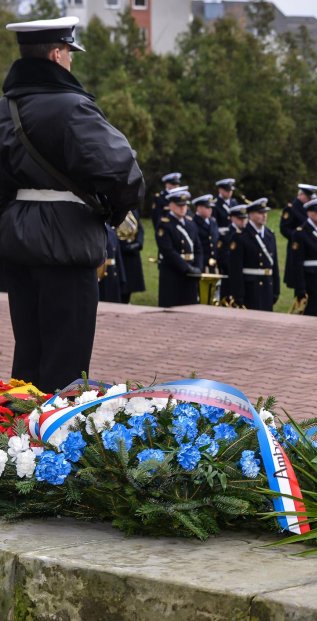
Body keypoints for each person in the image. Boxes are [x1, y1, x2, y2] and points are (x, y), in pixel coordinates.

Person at [0, 16, 144, 391]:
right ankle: (51, 445)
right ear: (57, 54)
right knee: (66, 362)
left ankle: (19, 442)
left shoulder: (4, 109)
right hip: (67, 241)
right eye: (69, 54)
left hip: (18, 240)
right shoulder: (71, 107)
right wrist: (112, 213)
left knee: (28, 355)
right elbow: (122, 171)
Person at [229, 198, 278, 311]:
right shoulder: (240, 236)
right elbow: (236, 269)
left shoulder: (270, 235)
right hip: (250, 289)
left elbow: (274, 265)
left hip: (267, 287)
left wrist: (276, 290)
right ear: (250, 215)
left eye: (265, 212)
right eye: (260, 213)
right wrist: (238, 295)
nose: (264, 216)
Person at [156, 188, 202, 307]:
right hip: (173, 273)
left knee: (190, 308)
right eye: (179, 205)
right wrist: (186, 268)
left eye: (185, 205)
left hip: (191, 273)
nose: (182, 208)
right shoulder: (165, 224)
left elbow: (198, 249)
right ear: (171, 205)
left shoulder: (191, 223)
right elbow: (168, 251)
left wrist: (198, 267)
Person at [282, 182, 317, 293]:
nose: (309, 200)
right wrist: (298, 236)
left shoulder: (310, 209)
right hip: (297, 246)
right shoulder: (291, 209)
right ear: (301, 195)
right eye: (307, 197)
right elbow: (284, 229)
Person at [216, 203, 248, 305]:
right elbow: (222, 258)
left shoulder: (247, 233)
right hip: (229, 277)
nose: (243, 221)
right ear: (232, 218)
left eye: (244, 218)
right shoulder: (226, 235)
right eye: (240, 219)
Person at [117, 206, 145, 304]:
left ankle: (126, 301)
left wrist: (138, 243)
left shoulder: (133, 210)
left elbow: (140, 228)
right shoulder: (114, 208)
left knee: (130, 283)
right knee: (120, 285)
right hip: (120, 252)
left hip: (132, 252)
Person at [97, 223, 125, 303]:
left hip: (113, 274)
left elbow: (118, 256)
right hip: (100, 274)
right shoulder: (95, 229)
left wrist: (122, 278)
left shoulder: (111, 231)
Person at [192, 194, 219, 274]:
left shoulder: (213, 222)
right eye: (207, 207)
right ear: (199, 208)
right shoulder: (193, 223)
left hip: (214, 264)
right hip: (200, 264)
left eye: (211, 208)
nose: (210, 210)